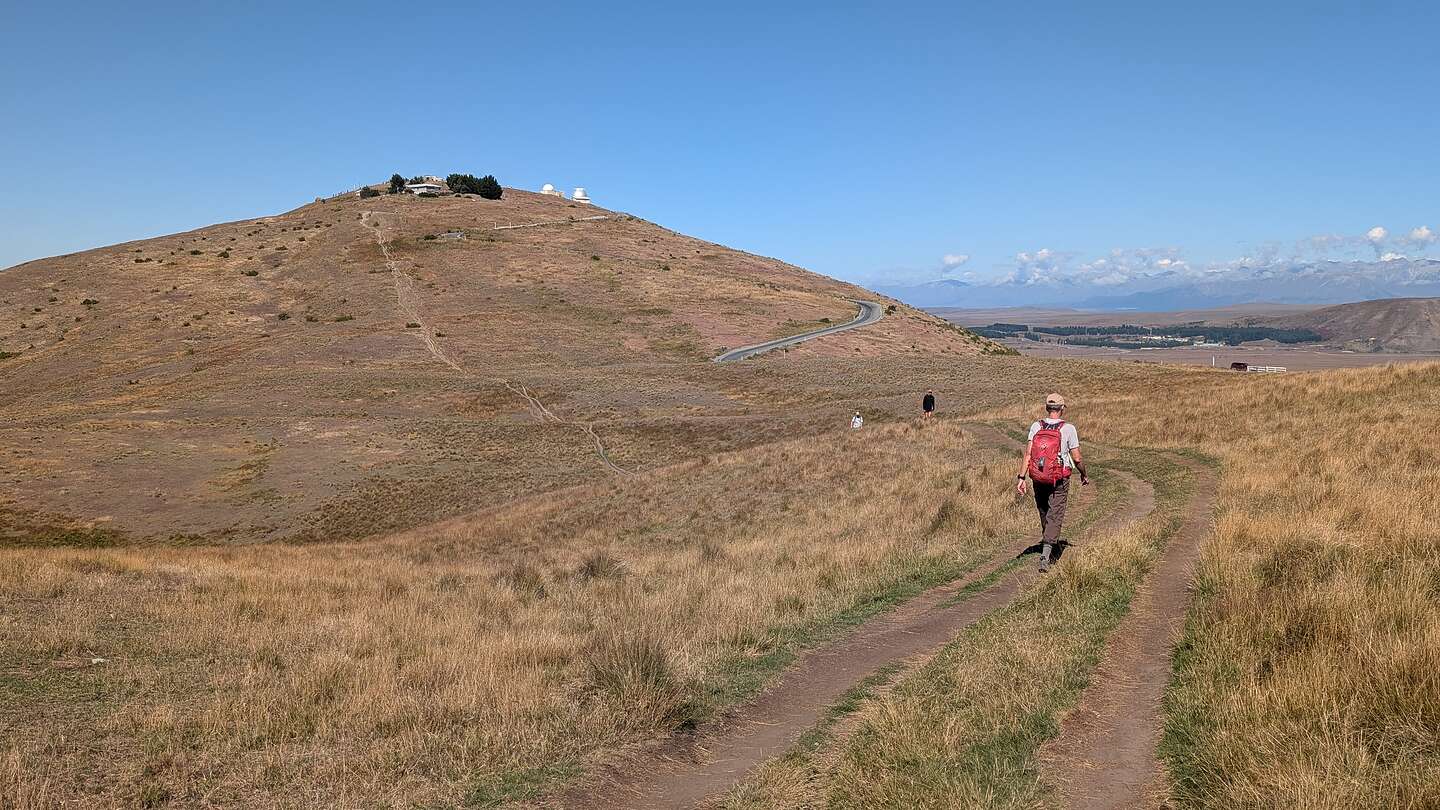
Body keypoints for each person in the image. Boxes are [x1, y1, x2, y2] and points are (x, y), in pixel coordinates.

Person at [1015, 393, 1089, 573]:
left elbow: (1028, 454)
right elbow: (1077, 458)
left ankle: (1047, 541)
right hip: (1059, 477)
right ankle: (1046, 555)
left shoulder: (1036, 426)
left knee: (1044, 510)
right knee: (1055, 513)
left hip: (1038, 475)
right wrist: (1084, 474)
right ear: (1062, 408)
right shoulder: (1068, 428)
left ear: (1047, 408)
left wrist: (1021, 478)